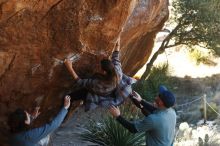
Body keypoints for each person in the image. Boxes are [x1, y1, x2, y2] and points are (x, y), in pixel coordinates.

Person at [64, 37, 136, 111]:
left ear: (104, 72)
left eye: (100, 67)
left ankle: (66, 111)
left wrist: (69, 67)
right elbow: (116, 53)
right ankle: (81, 102)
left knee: (69, 96)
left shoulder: (99, 84)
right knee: (90, 79)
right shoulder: (117, 70)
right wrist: (118, 38)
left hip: (97, 93)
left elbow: (80, 82)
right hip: (108, 89)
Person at [109, 85, 176, 146]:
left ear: (161, 102)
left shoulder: (153, 120)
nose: (157, 95)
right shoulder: (171, 112)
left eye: (159, 95)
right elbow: (154, 109)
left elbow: (133, 129)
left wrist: (118, 116)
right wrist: (141, 101)